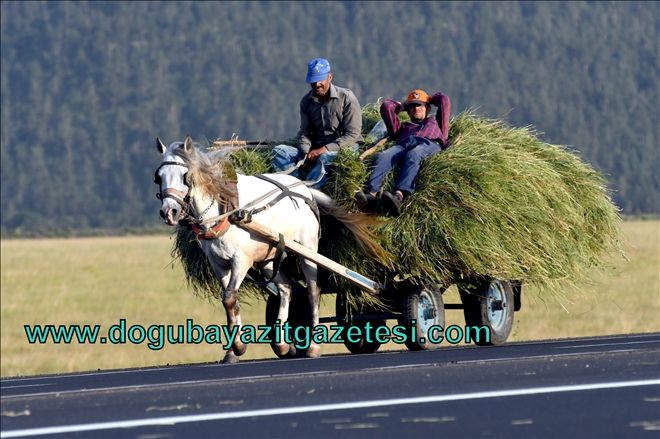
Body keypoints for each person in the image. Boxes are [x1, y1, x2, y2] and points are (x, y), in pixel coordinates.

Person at [354, 89, 451, 216]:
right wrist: (402, 106)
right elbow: (386, 107)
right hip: (404, 144)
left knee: (414, 154)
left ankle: (399, 196)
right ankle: (371, 195)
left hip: (429, 143)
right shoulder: (403, 127)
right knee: (383, 156)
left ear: (427, 108)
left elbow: (444, 100)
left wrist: (428, 99)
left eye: (419, 105)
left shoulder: (436, 122)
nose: (415, 109)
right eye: (412, 106)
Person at [272, 58, 363, 189]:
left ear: (330, 77)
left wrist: (324, 150)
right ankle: (294, 186)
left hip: (344, 148)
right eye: (313, 81)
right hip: (316, 146)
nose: (317, 84)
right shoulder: (306, 102)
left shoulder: (346, 97)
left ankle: (310, 190)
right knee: (279, 151)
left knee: (325, 157)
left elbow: (353, 135)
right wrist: (305, 152)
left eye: (320, 80)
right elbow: (304, 132)